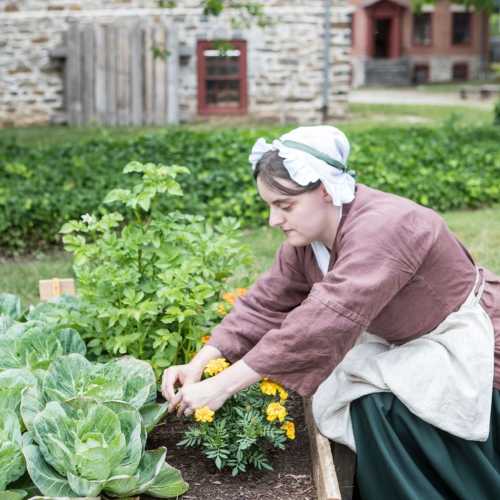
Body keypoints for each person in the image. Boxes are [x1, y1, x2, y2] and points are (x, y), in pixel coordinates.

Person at [161, 125, 500, 499]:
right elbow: (265, 303)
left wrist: (222, 386)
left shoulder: (387, 227)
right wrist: (202, 361)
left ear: (324, 190)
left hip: (468, 343)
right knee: (357, 394)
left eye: (284, 206)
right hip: (413, 342)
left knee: (375, 403)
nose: (273, 220)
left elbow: (321, 323)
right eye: (269, 206)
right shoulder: (308, 241)